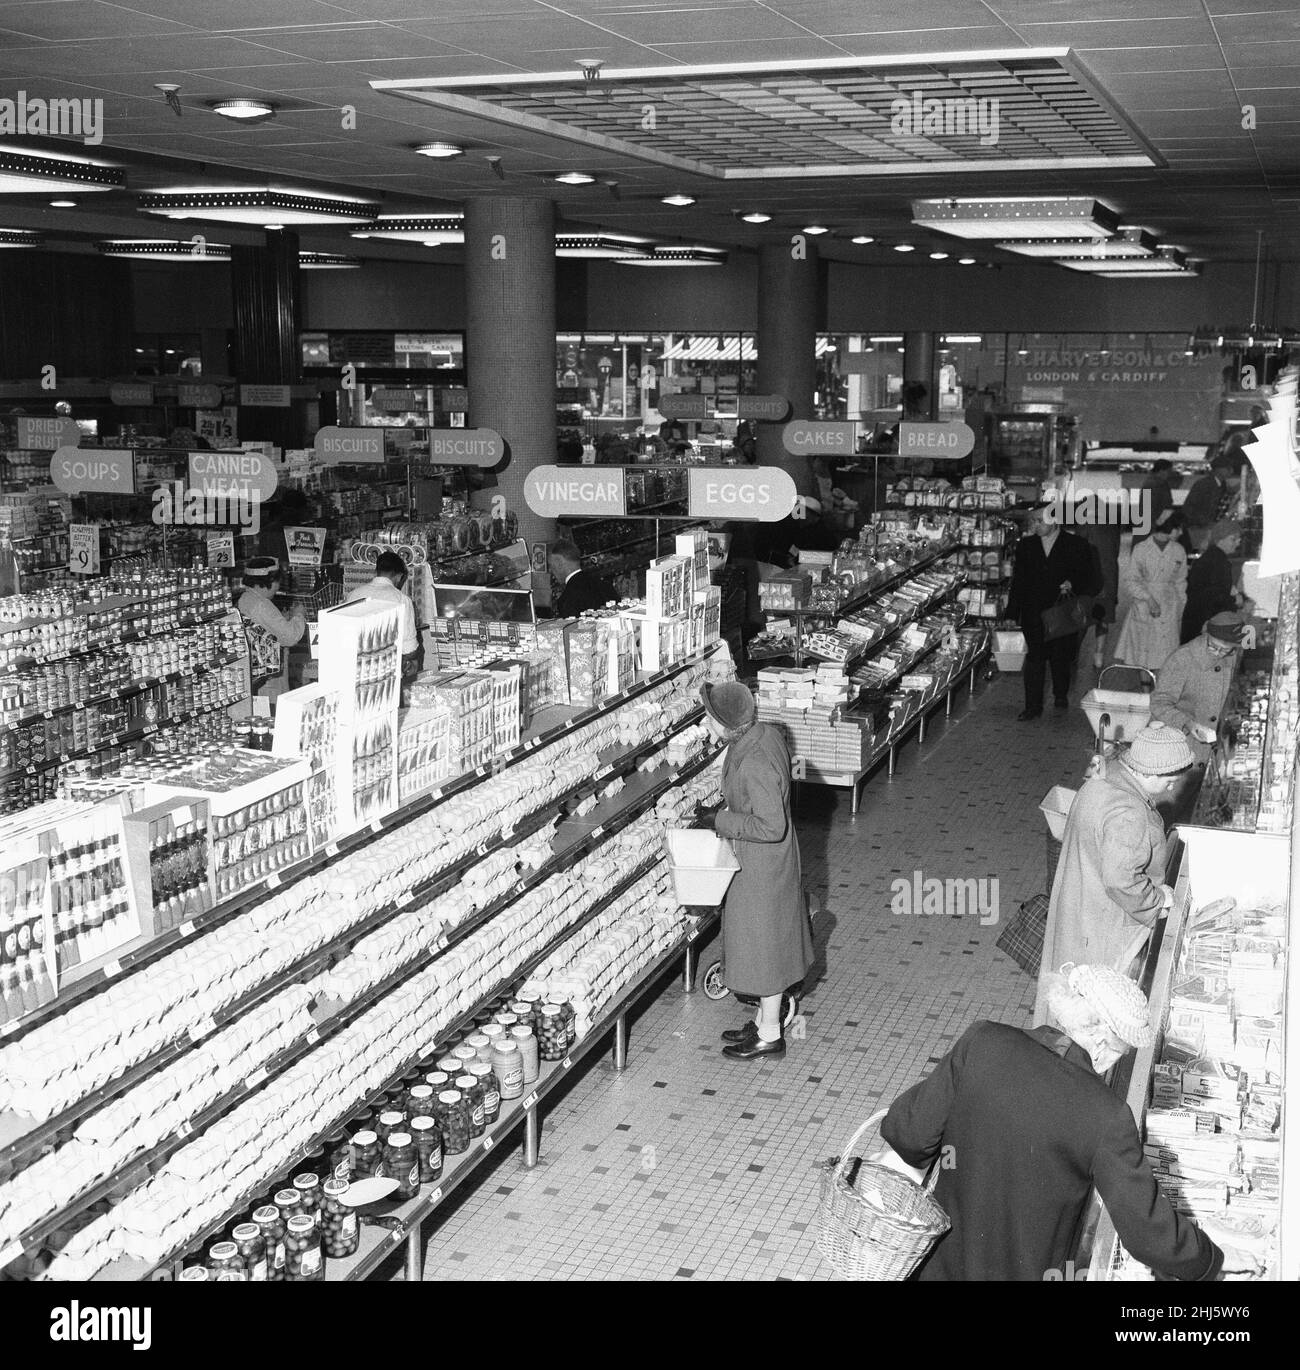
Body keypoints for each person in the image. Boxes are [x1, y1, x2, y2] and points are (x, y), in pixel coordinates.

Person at [876, 964, 1260, 1281]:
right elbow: (1145, 1231)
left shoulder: (982, 1041)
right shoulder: (1106, 1116)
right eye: (1120, 1054)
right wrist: (1213, 1259)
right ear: (1103, 1042)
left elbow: (907, 1135)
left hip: (937, 1265)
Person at [1032, 723, 1194, 1025]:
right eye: (1169, 780)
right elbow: (1122, 881)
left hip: (1080, 904)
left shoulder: (1102, 778)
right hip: (1103, 925)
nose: (1172, 787)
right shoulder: (1129, 813)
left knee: (1068, 998)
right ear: (1148, 772)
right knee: (1096, 1009)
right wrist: (1158, 899)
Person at [694, 681, 812, 1062]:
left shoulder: (755, 762)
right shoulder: (763, 735)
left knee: (766, 950)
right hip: (764, 861)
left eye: (709, 717)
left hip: (761, 866)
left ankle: (769, 1036)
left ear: (727, 726)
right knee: (764, 943)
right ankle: (765, 1018)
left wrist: (722, 820)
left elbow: (770, 826)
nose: (705, 721)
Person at [1151, 613, 1247, 822]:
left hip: (1209, 751)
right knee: (1164, 811)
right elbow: (1159, 703)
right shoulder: (1182, 659)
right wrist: (1187, 723)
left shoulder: (1232, 655)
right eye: (1214, 647)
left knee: (1192, 813)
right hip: (1178, 748)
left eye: (1226, 649)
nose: (1219, 653)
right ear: (1206, 635)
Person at [1005, 506, 1100, 719]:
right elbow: (1019, 581)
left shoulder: (1077, 545)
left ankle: (1060, 693)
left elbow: (1090, 578)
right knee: (1035, 658)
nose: (1034, 526)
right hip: (1034, 611)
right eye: (1032, 521)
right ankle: (1033, 706)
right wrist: (1012, 613)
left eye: (1039, 521)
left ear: (1054, 520)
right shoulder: (1026, 546)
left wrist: (1072, 583)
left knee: (1061, 657)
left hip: (1062, 612)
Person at [1113, 509, 1187, 671]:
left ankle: (1160, 693)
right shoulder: (1141, 549)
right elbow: (1131, 580)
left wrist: (1181, 607)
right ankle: (1146, 693)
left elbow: (1181, 582)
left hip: (1169, 607)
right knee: (1143, 655)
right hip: (1144, 606)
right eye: (1178, 528)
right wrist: (1148, 598)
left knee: (1167, 656)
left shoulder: (1179, 550)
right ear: (1169, 527)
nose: (1181, 532)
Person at [236, 556, 306, 697]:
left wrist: (285, 618)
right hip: (269, 681)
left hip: (257, 675)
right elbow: (290, 637)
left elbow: (267, 627)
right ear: (268, 581)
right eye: (277, 581)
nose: (278, 586)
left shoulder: (246, 598)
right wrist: (298, 615)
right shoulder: (262, 605)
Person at [346, 550, 421, 681]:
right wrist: (413, 662)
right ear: (399, 576)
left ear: (375, 572)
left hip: (353, 668)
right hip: (385, 672)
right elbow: (410, 649)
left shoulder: (354, 594)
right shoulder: (401, 599)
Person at [1181, 520, 1243, 643]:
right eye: (1233, 539)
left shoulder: (1211, 557)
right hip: (1205, 624)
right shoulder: (1219, 562)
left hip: (1195, 621)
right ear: (1220, 539)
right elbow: (1215, 596)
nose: (1237, 543)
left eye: (1238, 539)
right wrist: (1235, 600)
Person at [1182, 454, 1242, 544]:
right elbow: (1188, 509)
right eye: (1228, 468)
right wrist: (1205, 522)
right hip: (1199, 530)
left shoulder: (1222, 485)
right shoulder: (1203, 485)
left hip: (1211, 529)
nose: (1231, 471)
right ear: (1218, 469)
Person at [548, 538, 616, 617]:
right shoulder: (604, 584)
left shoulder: (567, 599)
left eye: (550, 565)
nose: (550, 570)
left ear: (559, 564)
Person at [1132, 459, 1178, 545]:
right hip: (1154, 525)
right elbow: (1166, 506)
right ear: (1161, 471)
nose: (1170, 475)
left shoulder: (1149, 482)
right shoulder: (1160, 484)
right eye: (1169, 471)